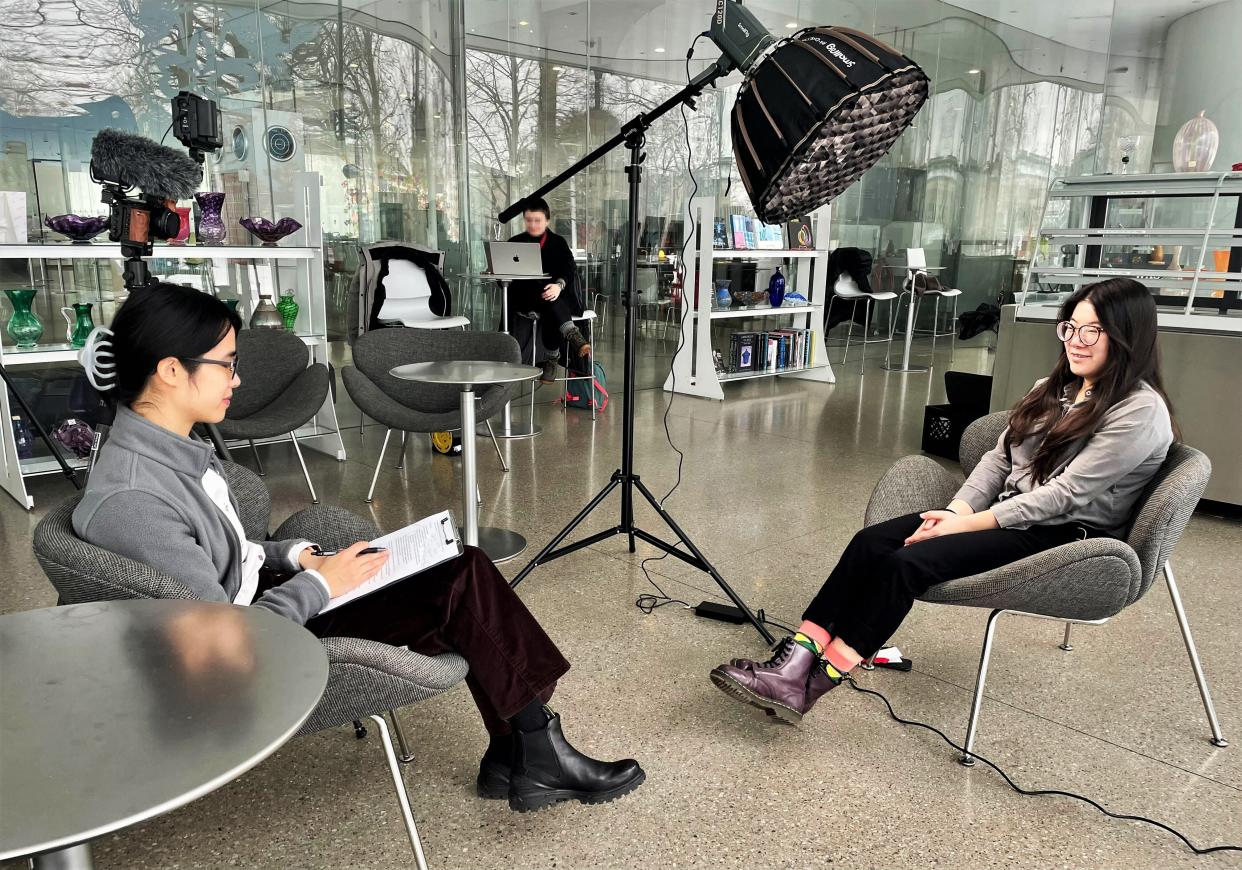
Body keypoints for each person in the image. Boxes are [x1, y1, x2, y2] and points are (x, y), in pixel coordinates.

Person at [72, 283, 645, 812]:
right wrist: (323, 585)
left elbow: (227, 552)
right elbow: (227, 638)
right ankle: (530, 751)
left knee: (458, 567)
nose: (237, 381)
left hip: (276, 599)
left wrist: (298, 556)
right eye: (227, 365)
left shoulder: (164, 449)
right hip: (266, 642)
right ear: (171, 371)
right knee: (462, 586)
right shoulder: (133, 500)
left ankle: (518, 750)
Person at [711, 278, 1176, 723]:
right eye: (1070, 327)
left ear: (1127, 336)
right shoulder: (1054, 387)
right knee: (870, 543)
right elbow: (999, 458)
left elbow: (1064, 495)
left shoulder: (1140, 410)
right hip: (1006, 518)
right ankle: (792, 666)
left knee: (905, 566)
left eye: (1093, 330)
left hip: (1062, 537)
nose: (1077, 340)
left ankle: (813, 686)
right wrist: (956, 511)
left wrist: (964, 527)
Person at [506, 196, 589, 383]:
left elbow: (569, 268)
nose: (533, 225)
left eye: (537, 220)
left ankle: (552, 359)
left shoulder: (558, 242)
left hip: (552, 296)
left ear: (547, 221)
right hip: (525, 298)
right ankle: (566, 341)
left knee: (550, 297)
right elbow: (504, 280)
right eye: (529, 220)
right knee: (548, 297)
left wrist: (558, 285)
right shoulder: (514, 243)